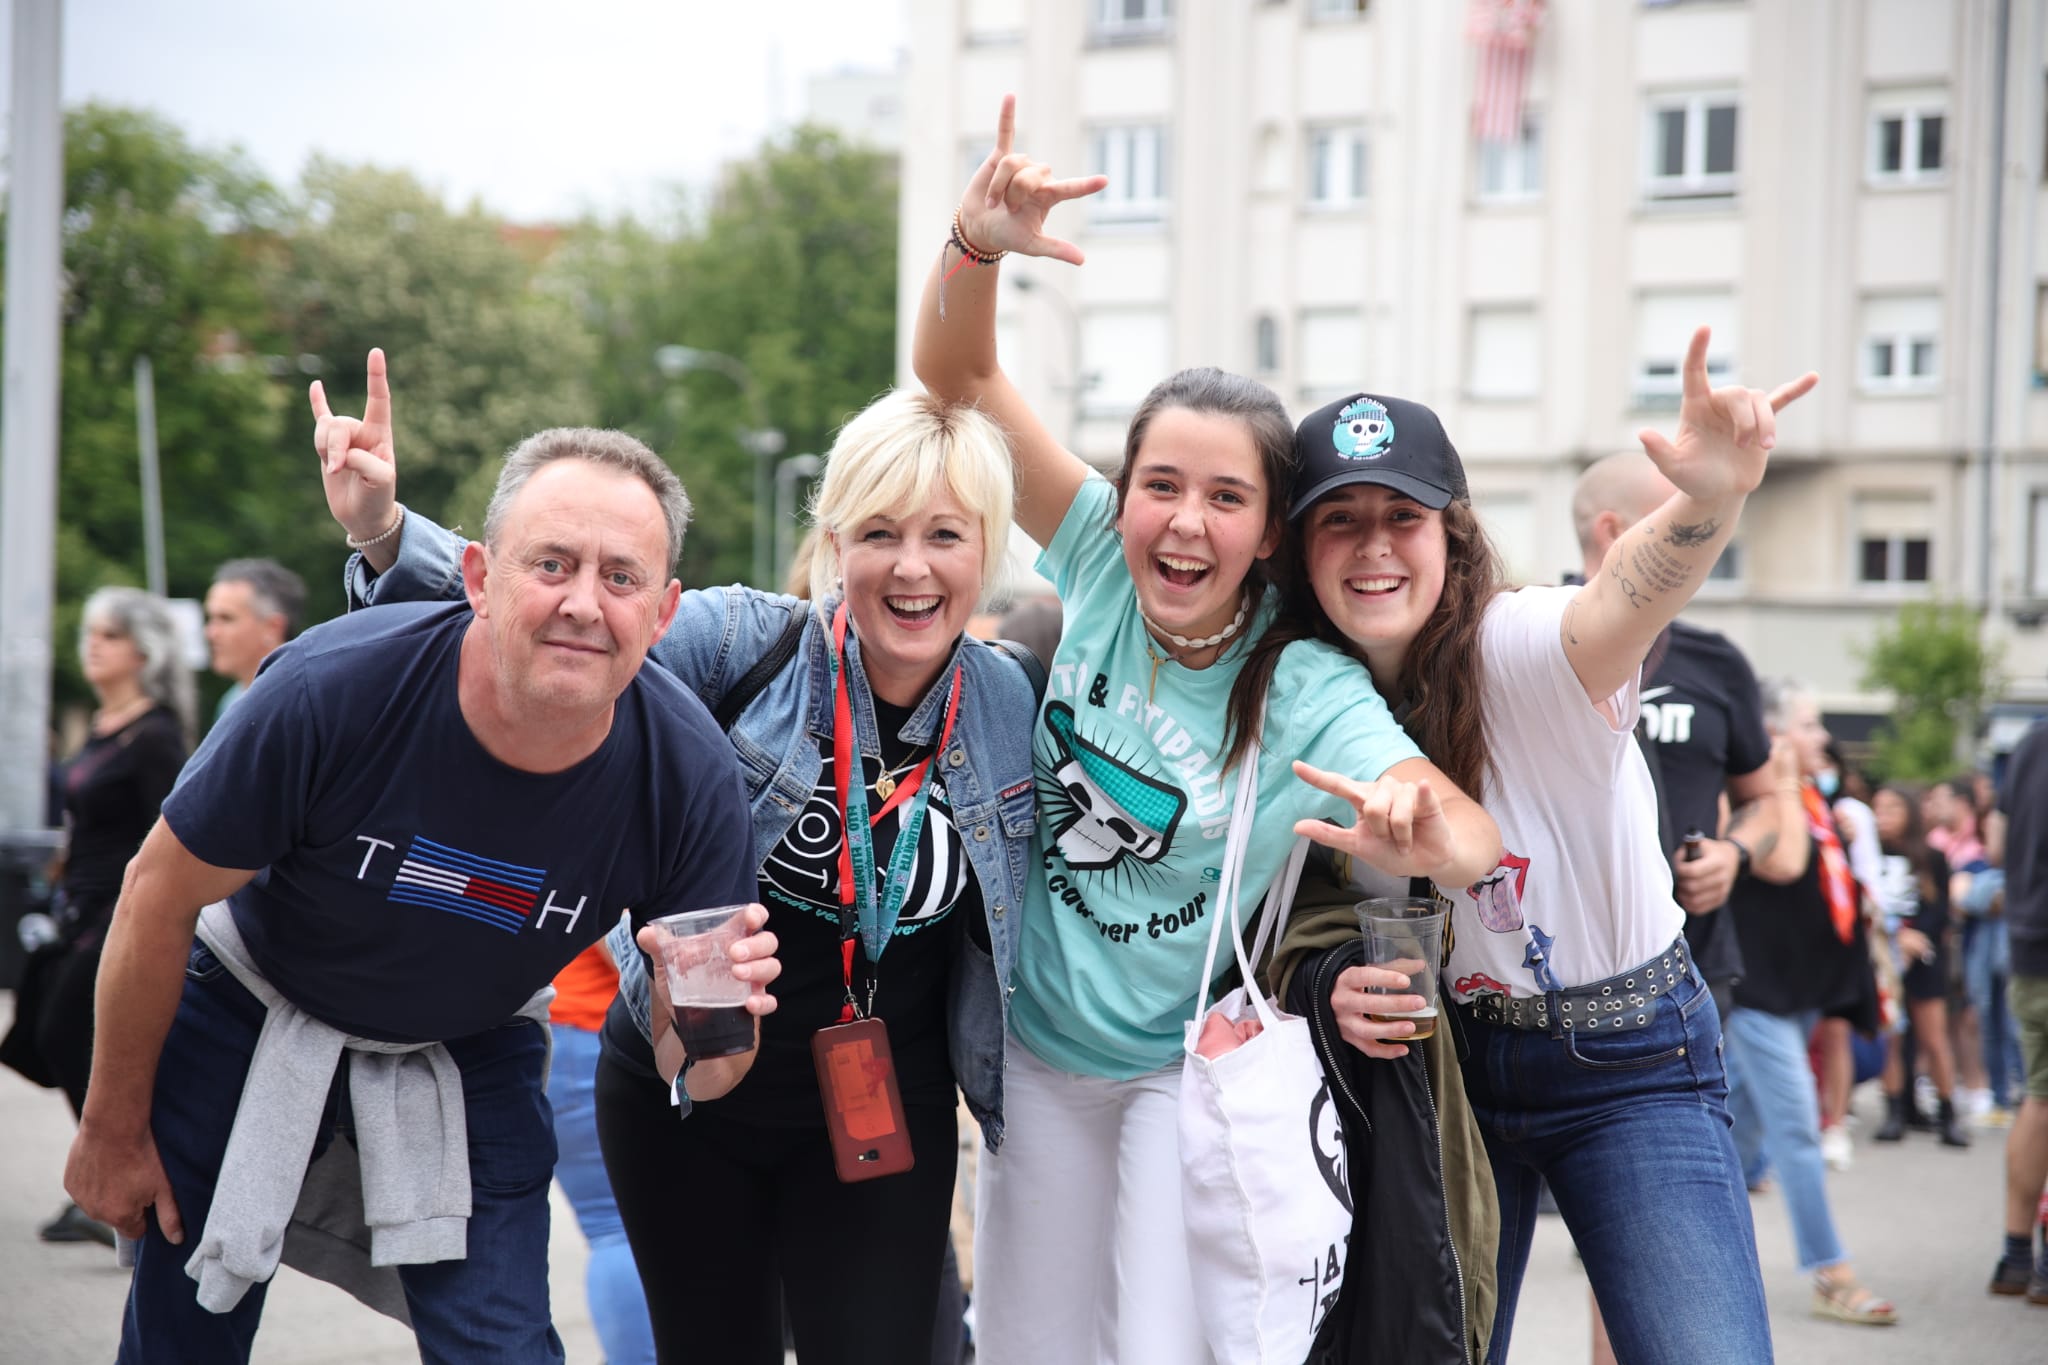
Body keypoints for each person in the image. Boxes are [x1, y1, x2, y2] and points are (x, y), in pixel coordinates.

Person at [913, 97, 1503, 1364]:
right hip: (1034, 1051)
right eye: (1160, 487)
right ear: (1121, 499)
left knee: (1164, 1347)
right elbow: (953, 381)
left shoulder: (1299, 682)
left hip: (1177, 1071)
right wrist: (974, 248)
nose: (1184, 523)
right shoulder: (1098, 565)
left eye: (1225, 497)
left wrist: (1416, 819)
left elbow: (1465, 836)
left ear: (1269, 530)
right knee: (1023, 1343)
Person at [332, 365, 1042, 1364]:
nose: (909, 569)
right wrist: (383, 531)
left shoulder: (1015, 709)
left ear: (986, 550)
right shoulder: (743, 647)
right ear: (834, 543)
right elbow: (557, 611)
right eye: (878, 534)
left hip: (884, 1107)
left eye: (944, 536)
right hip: (683, 1088)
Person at [65, 392, 782, 1363]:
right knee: (182, 1339)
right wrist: (110, 1130)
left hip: (467, 1046)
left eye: (621, 577)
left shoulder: (687, 777)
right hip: (247, 1006)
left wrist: (710, 1016)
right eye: (552, 564)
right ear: (479, 579)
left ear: (662, 614)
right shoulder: (331, 690)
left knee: (503, 1345)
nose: (582, 602)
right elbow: (158, 890)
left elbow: (698, 1062)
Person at [1260, 321, 1814, 1363]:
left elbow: (1616, 604)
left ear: (1450, 535)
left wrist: (1706, 502)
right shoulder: (1305, 693)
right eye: (1339, 520)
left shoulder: (1512, 644)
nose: (1373, 545)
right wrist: (1326, 978)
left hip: (1628, 1060)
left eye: (1401, 516)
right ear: (1299, 550)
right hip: (1445, 1070)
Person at [1563, 450, 1809, 1361]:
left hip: (1692, 975)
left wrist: (1736, 855)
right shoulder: (1527, 632)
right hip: (1549, 988)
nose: (1708, 538)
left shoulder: (1715, 658)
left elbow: (1771, 801)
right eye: (1687, 518)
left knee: (1652, 1234)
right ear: (1614, 532)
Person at [0, 588, 194, 1250]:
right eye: (90, 633)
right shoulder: (106, 725)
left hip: (124, 911)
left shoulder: (157, 734)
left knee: (64, 1031)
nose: (93, 645)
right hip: (77, 906)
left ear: (143, 650)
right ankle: (117, 1172)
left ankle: (129, 1170)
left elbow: (177, 833)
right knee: (44, 1032)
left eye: (108, 635)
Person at [1721, 681, 1896, 1325]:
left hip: (1801, 988)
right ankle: (1831, 1272)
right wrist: (1784, 785)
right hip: (1757, 989)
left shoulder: (1817, 799)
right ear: (1772, 736)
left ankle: (1626, 1215)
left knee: (1733, 1124)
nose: (1822, 738)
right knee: (1797, 1126)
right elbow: (1785, 863)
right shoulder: (1746, 797)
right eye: (1809, 724)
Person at [1868, 783, 1969, 1146]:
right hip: (1885, 958)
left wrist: (1914, 939)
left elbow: (1940, 909)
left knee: (1934, 1037)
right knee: (1891, 1037)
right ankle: (1894, 1112)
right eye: (1877, 809)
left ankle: (1947, 1114)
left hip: (1924, 958)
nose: (1883, 817)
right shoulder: (1868, 854)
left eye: (1892, 808)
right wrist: (1894, 939)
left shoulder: (1931, 856)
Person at [1992, 717, 2048, 1302]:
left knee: (2039, 1097)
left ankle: (2016, 1255)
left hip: (2029, 944)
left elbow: (1994, 844)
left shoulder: (2031, 740)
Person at [203, 558, 306, 723]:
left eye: (226, 618)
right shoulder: (232, 699)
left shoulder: (297, 700)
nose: (211, 632)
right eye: (211, 618)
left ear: (273, 628)